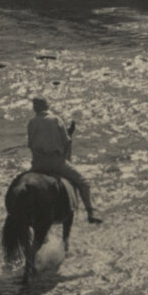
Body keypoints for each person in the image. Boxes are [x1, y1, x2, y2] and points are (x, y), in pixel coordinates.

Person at [27, 96, 102, 224]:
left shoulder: (31, 122)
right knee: (84, 182)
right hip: (56, 163)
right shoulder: (56, 119)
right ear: (47, 106)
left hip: (37, 164)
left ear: (35, 108)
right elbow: (66, 141)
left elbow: (30, 144)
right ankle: (91, 212)